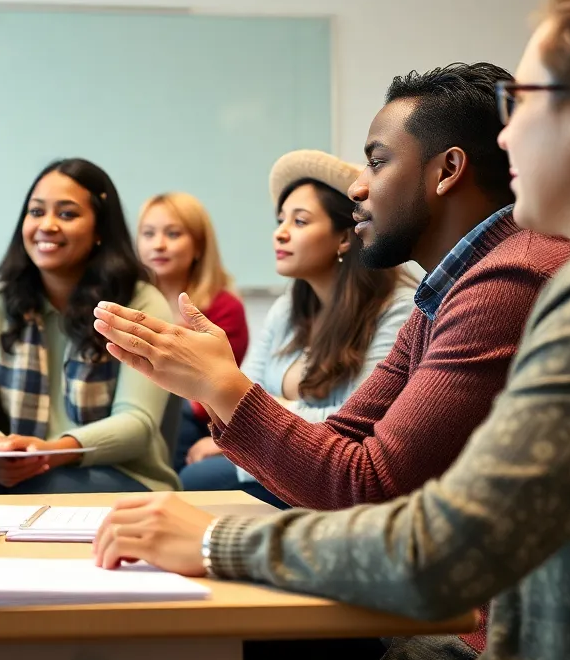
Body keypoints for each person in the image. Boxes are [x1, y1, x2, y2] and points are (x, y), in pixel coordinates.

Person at [95, 0, 570, 660]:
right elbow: (351, 459)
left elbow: (432, 544)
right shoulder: (466, 282)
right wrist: (223, 393)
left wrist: (215, 539)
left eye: (522, 104)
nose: (506, 139)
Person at [0, 158, 179, 496]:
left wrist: (53, 453)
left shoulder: (139, 303)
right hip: (21, 469)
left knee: (45, 484)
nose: (46, 225)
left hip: (120, 474)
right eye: (36, 212)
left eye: (67, 214)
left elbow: (137, 423)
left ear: (100, 230)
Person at [177, 153, 414, 502]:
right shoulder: (289, 305)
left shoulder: (397, 308)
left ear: (345, 238)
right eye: (280, 220)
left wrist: (267, 408)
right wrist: (259, 409)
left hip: (335, 473)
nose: (281, 233)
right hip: (277, 453)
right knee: (192, 459)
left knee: (198, 477)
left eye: (300, 222)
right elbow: (243, 384)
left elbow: (356, 421)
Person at [135, 192, 249, 472]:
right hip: (136, 409)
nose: (158, 245)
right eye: (148, 234)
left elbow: (216, 387)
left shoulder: (224, 307)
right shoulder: (131, 301)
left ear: (198, 246)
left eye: (173, 234)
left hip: (196, 418)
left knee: (177, 410)